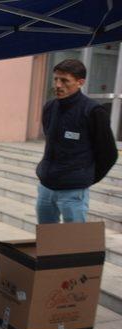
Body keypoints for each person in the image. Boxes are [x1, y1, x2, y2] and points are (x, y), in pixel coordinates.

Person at [36, 59, 118, 224]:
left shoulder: (93, 111)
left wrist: (84, 178)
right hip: (46, 187)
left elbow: (109, 154)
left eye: (65, 80)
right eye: (56, 79)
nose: (58, 85)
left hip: (73, 192)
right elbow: (50, 139)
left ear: (80, 82)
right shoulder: (50, 107)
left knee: (73, 244)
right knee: (47, 241)